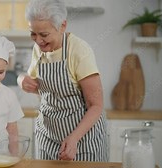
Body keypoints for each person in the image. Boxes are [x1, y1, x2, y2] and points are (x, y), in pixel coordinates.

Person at [17, 0, 108, 161]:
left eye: (44, 35)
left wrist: (74, 138)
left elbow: (96, 105)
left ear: (62, 26)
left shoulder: (79, 50)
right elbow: (36, 86)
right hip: (47, 137)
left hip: (82, 142)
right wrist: (21, 79)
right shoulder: (39, 49)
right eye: (33, 33)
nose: (38, 41)